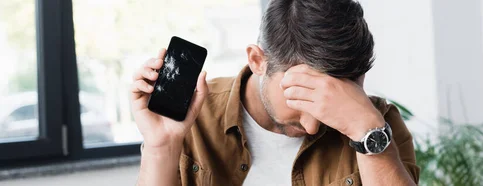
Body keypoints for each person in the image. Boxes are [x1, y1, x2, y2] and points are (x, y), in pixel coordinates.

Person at [132, 0, 419, 185]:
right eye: (302, 94)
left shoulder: (377, 126)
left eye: (330, 101)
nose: (313, 125)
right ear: (258, 61)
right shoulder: (196, 115)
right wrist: (161, 147)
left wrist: (367, 136)